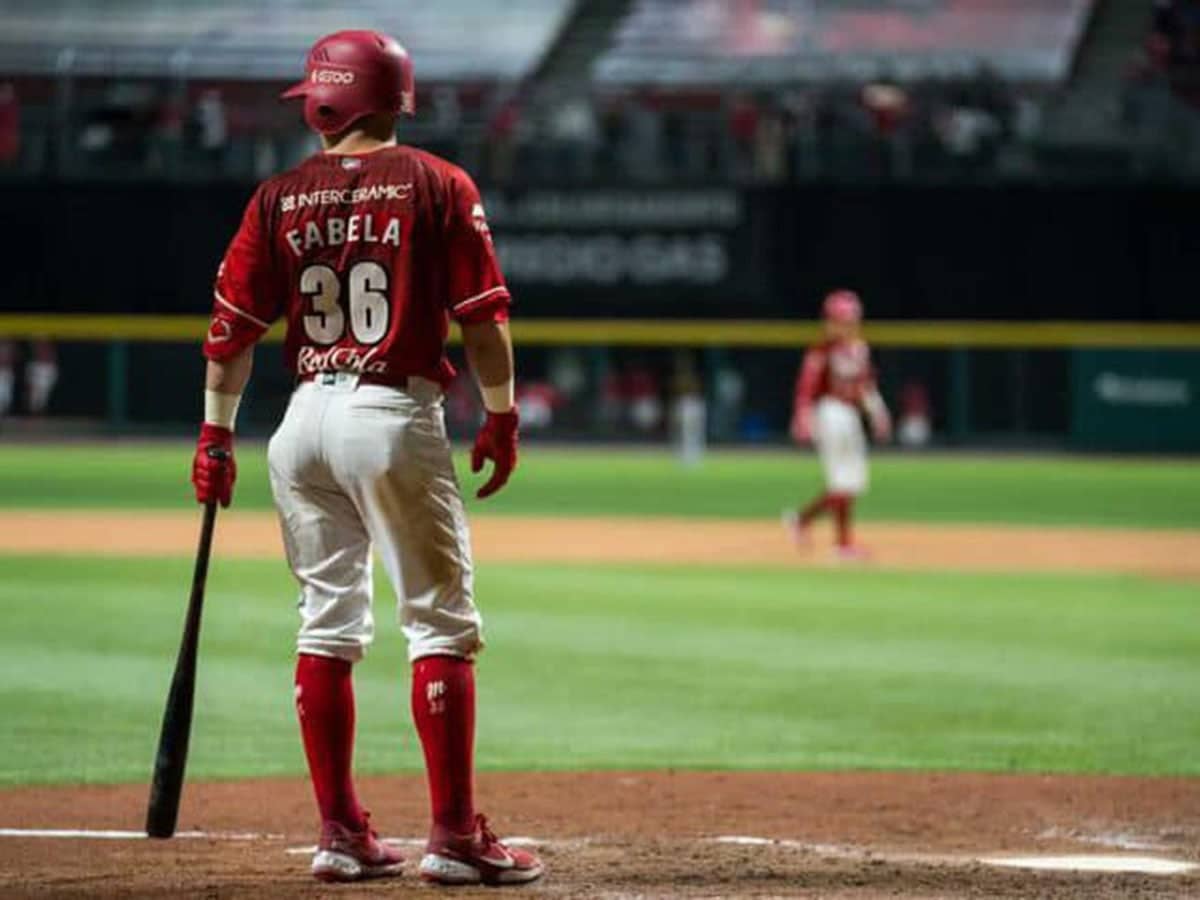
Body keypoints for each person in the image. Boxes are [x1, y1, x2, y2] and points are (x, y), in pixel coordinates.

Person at [189, 30, 542, 886]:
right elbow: (484, 317)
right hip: (391, 412)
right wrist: (500, 415)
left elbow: (231, 330)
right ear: (395, 98)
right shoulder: (436, 181)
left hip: (300, 421)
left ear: (324, 101)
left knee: (326, 624)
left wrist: (214, 432)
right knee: (440, 626)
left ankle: (340, 832)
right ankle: (455, 836)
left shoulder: (276, 195)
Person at [784, 290, 891, 559]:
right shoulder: (821, 350)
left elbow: (866, 387)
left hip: (851, 415)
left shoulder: (859, 348)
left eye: (851, 319)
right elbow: (806, 388)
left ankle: (807, 523)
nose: (848, 325)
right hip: (830, 413)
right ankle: (838, 541)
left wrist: (879, 413)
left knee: (852, 481)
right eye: (842, 319)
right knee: (842, 481)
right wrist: (802, 417)